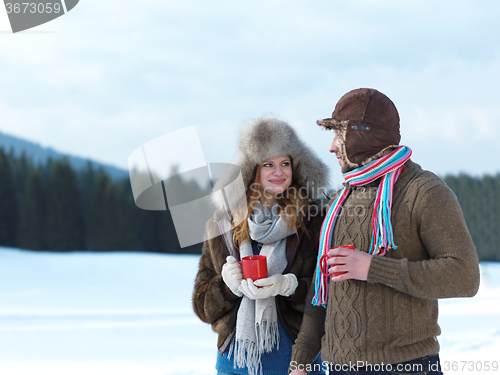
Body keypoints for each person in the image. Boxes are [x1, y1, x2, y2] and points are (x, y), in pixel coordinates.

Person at [289, 88, 480, 375]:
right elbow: (322, 288)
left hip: (406, 367)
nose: (331, 147)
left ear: (362, 135)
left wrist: (374, 268)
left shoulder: (424, 191)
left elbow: (465, 276)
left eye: (338, 135)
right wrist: (301, 361)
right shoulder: (341, 200)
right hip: (339, 368)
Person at [192, 116, 329, 375]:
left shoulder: (314, 220)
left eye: (284, 163)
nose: (279, 173)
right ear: (252, 170)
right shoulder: (223, 224)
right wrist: (226, 287)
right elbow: (202, 306)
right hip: (235, 362)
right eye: (269, 164)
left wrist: (289, 286)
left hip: (296, 360)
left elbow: (329, 294)